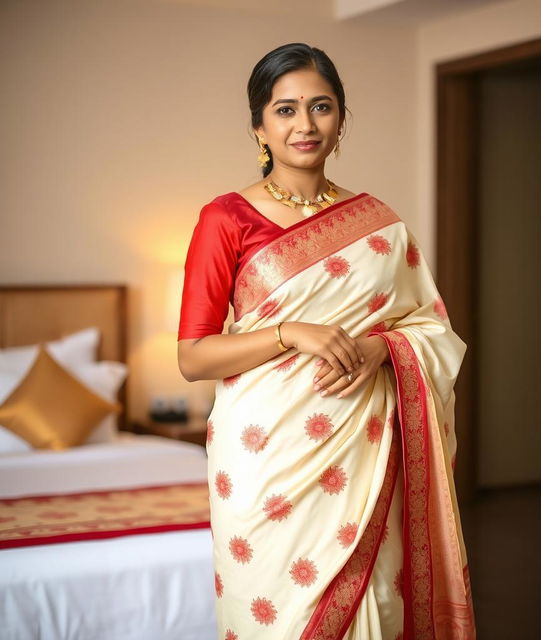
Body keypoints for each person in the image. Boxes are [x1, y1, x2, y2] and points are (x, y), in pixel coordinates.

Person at [177, 42, 476, 640]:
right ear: (258, 126)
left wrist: (379, 350)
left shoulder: (381, 224)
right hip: (265, 459)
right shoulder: (226, 219)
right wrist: (290, 333)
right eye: (284, 110)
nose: (305, 125)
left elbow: (430, 326)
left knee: (375, 611)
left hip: (365, 456)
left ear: (341, 120)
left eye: (321, 107)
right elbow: (192, 357)